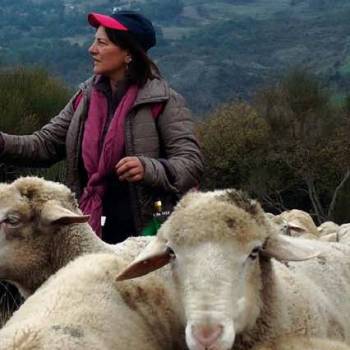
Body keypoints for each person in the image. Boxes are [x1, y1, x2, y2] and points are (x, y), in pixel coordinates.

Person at [0, 10, 203, 243]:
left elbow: (191, 163)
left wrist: (149, 168)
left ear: (128, 53)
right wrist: (3, 142)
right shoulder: (85, 98)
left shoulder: (164, 101)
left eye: (101, 42)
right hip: (90, 226)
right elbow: (45, 144)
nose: (91, 49)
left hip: (145, 235)